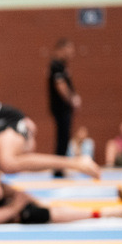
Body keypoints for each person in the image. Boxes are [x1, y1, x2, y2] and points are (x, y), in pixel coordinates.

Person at [48, 39, 80, 178]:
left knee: (64, 138)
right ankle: (58, 169)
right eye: (69, 50)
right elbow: (60, 86)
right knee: (62, 138)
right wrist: (72, 99)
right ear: (61, 49)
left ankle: (60, 168)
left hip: (64, 109)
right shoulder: (56, 65)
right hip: (60, 108)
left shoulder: (62, 65)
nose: (71, 53)